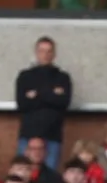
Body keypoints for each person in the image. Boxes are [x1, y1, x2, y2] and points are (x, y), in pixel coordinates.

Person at [15, 36, 72, 170]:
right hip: (28, 135)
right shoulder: (25, 76)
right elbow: (22, 104)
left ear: (54, 54)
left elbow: (64, 102)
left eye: (49, 51)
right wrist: (52, 94)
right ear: (36, 52)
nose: (45, 55)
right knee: (22, 171)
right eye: (42, 51)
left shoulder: (62, 77)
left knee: (49, 174)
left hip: (53, 135)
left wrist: (36, 95)